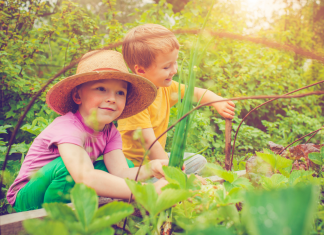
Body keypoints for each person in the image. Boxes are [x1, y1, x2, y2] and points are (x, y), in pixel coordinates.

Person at [7, 50, 170, 212]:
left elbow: (121, 172)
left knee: (124, 164)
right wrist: (147, 191)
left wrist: (151, 168)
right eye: (101, 88)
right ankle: (56, 221)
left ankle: (102, 211)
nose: (112, 98)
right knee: (67, 169)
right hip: (29, 194)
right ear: (78, 96)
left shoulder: (110, 131)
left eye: (120, 92)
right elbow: (84, 176)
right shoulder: (68, 127)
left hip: (66, 183)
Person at [118, 24, 235, 173]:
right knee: (175, 174)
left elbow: (194, 92)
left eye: (175, 62)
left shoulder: (165, 87)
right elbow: (150, 143)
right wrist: (171, 172)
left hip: (158, 160)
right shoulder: (135, 100)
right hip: (136, 168)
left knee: (198, 161)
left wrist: (216, 100)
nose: (174, 70)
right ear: (141, 70)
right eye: (167, 67)